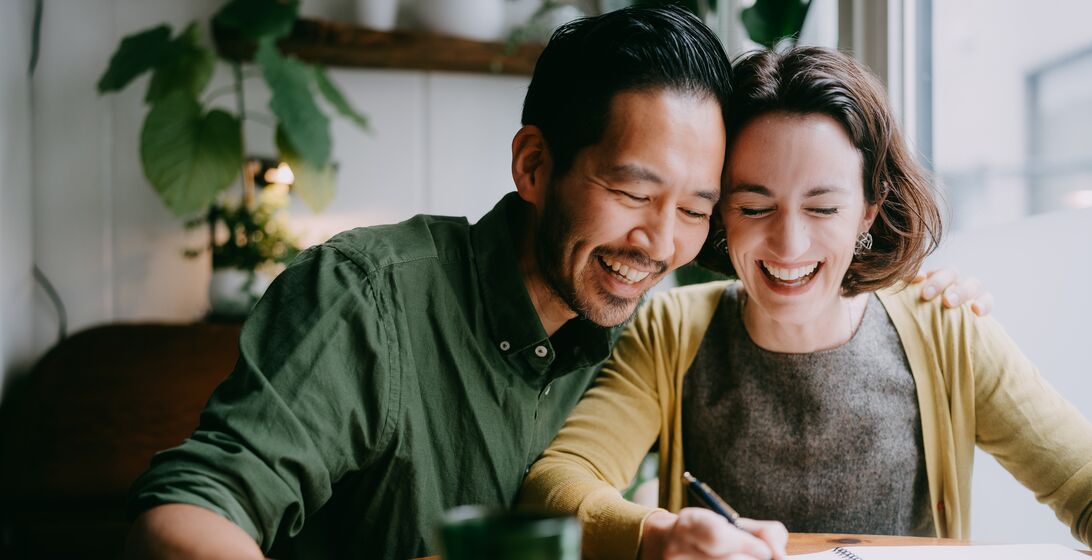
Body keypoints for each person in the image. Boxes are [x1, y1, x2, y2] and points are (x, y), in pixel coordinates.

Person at [124, 8, 982, 558]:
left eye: (696, 208)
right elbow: (188, 511)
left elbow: (795, 268)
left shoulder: (650, 324)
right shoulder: (369, 295)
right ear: (535, 165)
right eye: (632, 192)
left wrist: (923, 300)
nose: (659, 241)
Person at [519, 47, 1092, 560]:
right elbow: (559, 481)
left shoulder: (946, 328)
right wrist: (656, 536)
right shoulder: (671, 330)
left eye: (822, 208)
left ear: (868, 209)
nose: (789, 245)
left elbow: (1081, 481)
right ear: (720, 214)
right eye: (754, 207)